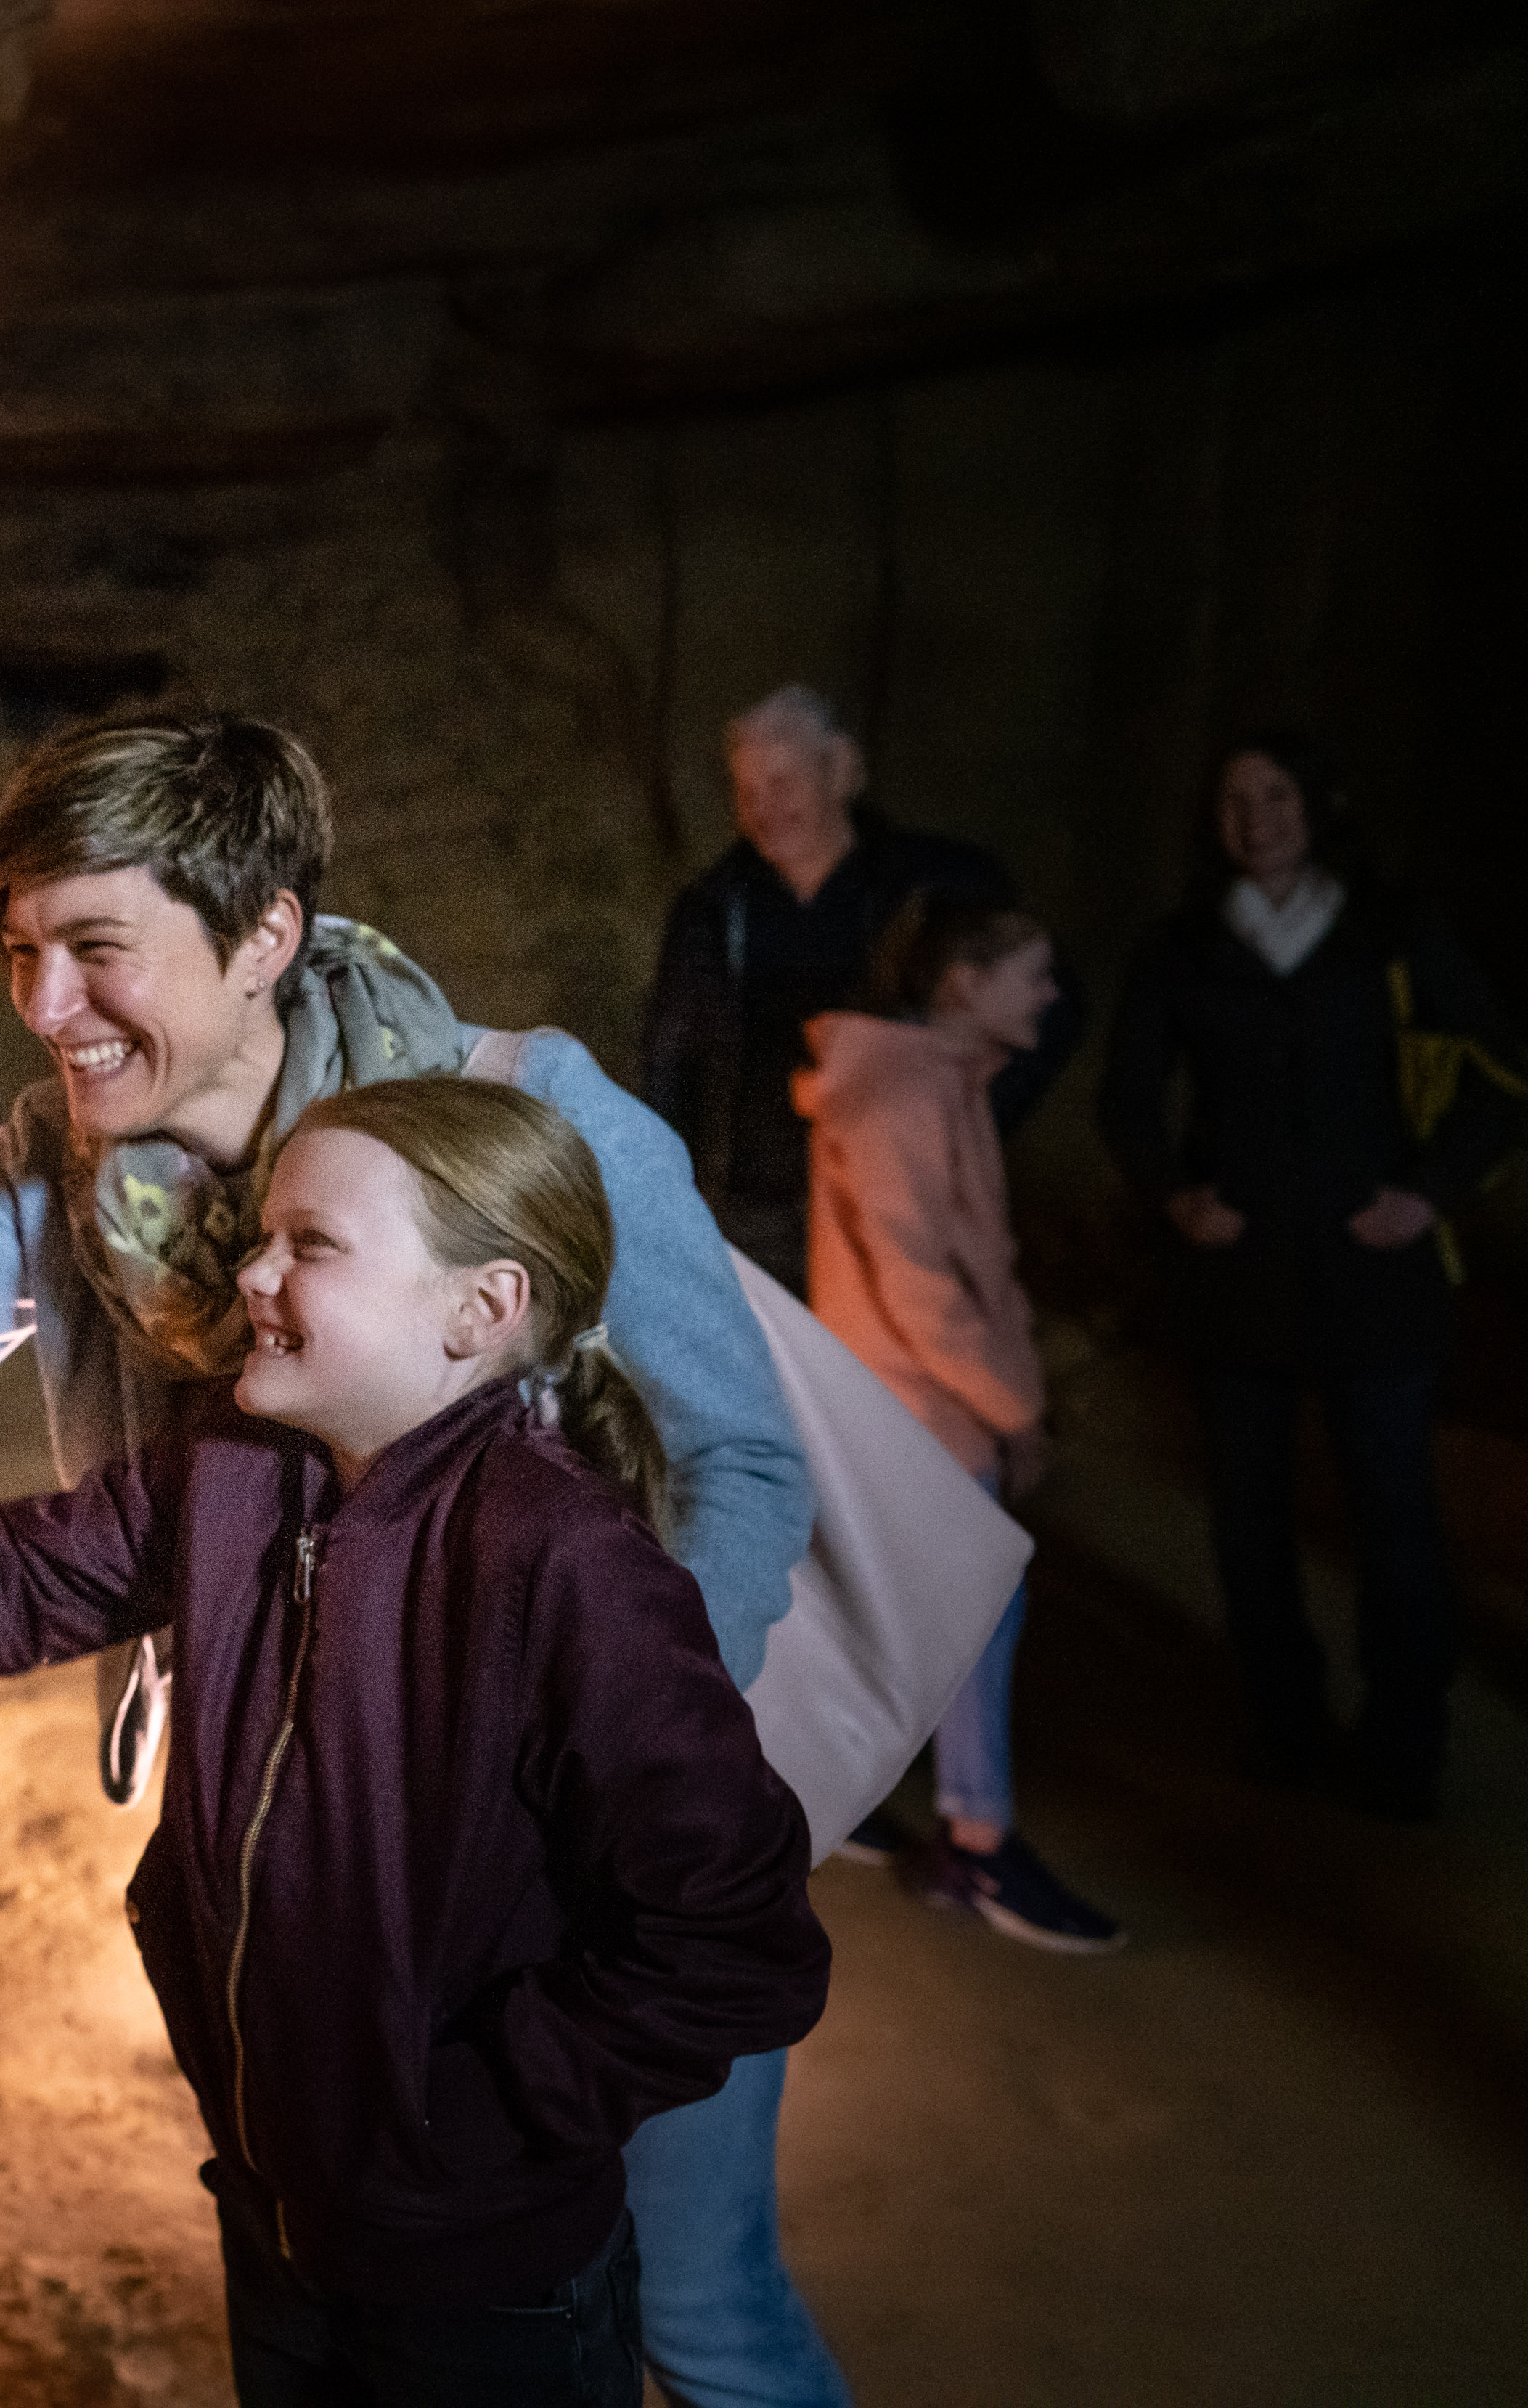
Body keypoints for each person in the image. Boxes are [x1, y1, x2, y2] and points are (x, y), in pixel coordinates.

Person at [0, 712, 855, 2408]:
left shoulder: (518, 1124)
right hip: (311, 1894)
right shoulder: (64, 1163)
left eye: (93, 947)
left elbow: (739, 1453)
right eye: (20, 952)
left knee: (688, 2312)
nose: (41, 1010)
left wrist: (607, 1774)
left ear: (262, 932)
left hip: (580, 1880)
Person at [0, 1077, 830, 2408]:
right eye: (266, 1236)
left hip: (483, 2288)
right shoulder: (233, 1466)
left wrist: (458, 2131)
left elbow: (735, 1945)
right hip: (277, 2227)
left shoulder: (569, 1571)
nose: (251, 1271)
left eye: (312, 1244)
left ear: (481, 1311)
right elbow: (22, 1581)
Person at [1099, 733, 1524, 1822]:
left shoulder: (1391, 930)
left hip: (1375, 1274)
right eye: (1235, 798)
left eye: (1276, 792)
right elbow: (1131, 1096)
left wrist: (1428, 1191)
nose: (1256, 816)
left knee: (1394, 1512)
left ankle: (1403, 1744)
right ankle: (1284, 1723)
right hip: (1238, 1276)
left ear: (1318, 803)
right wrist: (1177, 1192)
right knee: (1249, 1515)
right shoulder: (1184, 945)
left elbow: (1496, 1075)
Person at [797, 889, 1122, 1950]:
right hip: (916, 1413)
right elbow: (922, 1287)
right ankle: (976, 1844)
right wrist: (1014, 1407)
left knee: (937, 1615)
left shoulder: (943, 1086)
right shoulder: (899, 1100)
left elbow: (983, 1265)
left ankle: (856, 1806)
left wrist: (1014, 1400)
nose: (1051, 992)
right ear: (964, 983)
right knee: (974, 1619)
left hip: (939, 1410)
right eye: (1033, 970)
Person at [642, 686, 1083, 1294]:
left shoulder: (942, 890)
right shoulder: (714, 909)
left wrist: (969, 1117)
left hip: (903, 1215)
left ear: (842, 770)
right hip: (755, 1220)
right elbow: (671, 1066)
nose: (764, 807)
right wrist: (675, 1199)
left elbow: (1053, 1003)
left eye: (783, 782)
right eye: (747, 791)